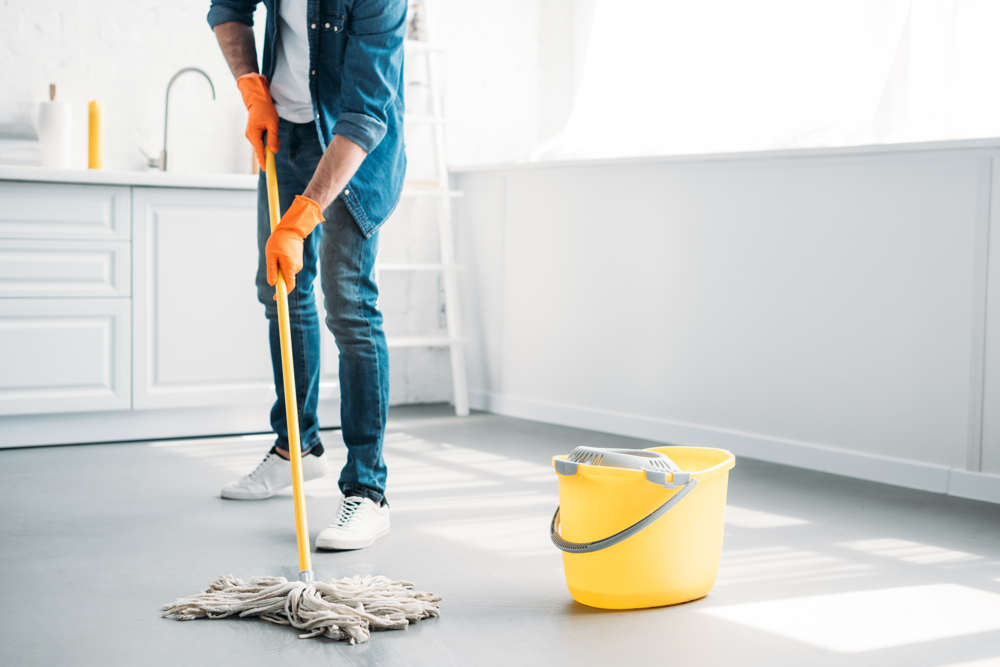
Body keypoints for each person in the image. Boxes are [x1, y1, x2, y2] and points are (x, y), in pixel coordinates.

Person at [206, 0, 406, 550]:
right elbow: (227, 8)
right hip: (287, 134)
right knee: (281, 291)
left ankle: (368, 491)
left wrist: (304, 216)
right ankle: (297, 447)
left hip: (352, 148)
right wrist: (252, 87)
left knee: (349, 305)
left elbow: (366, 114)